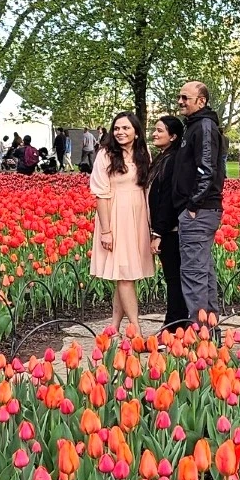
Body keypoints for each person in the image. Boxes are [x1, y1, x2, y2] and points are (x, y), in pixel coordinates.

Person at [88, 112, 155, 336]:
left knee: (125, 274)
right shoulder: (105, 155)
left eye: (126, 128)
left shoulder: (144, 153)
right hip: (115, 215)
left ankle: (114, 326)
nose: (120, 132)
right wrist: (106, 231)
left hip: (138, 215)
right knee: (125, 273)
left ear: (136, 132)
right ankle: (136, 329)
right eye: (117, 128)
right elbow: (101, 195)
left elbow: (148, 189)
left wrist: (152, 226)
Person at [175, 82, 224, 325]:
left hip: (200, 211)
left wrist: (192, 206)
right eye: (179, 97)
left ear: (201, 101)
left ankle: (198, 334)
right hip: (202, 209)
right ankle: (209, 332)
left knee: (194, 274)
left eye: (185, 97)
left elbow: (206, 169)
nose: (180, 101)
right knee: (203, 273)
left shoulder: (203, 126)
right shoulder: (195, 126)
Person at [144, 115, 189, 332]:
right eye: (154, 130)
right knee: (173, 276)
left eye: (160, 131)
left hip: (170, 230)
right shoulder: (163, 158)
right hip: (165, 228)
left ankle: (174, 325)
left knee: (174, 277)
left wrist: (158, 232)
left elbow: (168, 199)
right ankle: (175, 323)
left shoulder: (172, 161)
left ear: (173, 136)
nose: (154, 133)